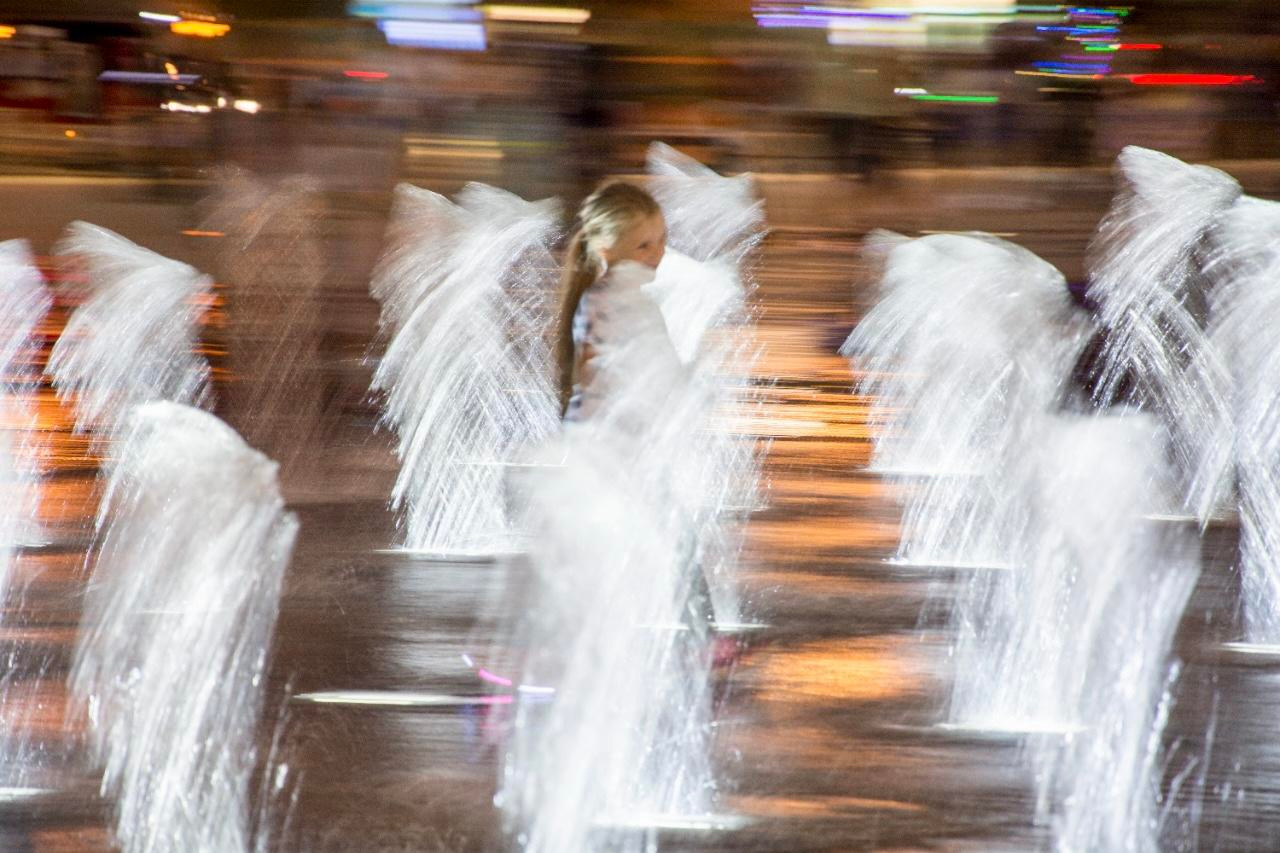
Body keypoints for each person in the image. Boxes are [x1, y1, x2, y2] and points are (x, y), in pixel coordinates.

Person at [555, 181, 683, 427]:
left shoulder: (641, 303)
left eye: (662, 240)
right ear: (607, 249)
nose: (658, 253)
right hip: (601, 440)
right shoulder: (600, 302)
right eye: (643, 246)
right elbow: (591, 372)